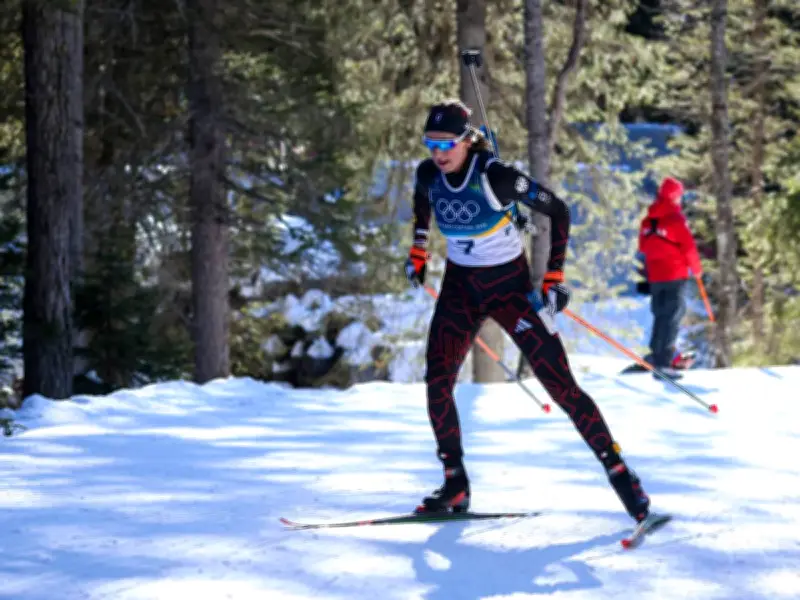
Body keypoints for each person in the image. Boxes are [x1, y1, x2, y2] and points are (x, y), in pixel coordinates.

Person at [404, 99, 651, 523]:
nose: (438, 153)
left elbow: (558, 209)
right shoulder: (429, 174)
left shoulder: (496, 176)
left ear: (467, 140)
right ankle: (454, 482)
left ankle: (621, 475)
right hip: (460, 288)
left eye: (446, 144)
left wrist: (554, 276)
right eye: (431, 143)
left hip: (509, 289)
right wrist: (419, 249)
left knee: (561, 385)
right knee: (437, 381)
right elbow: (422, 205)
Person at [637, 177, 703, 379]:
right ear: (674, 196)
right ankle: (664, 361)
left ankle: (655, 354)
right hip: (675, 274)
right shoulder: (675, 220)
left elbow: (643, 247)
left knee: (660, 314)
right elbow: (689, 247)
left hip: (655, 276)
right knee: (673, 314)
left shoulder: (648, 222)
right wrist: (696, 270)